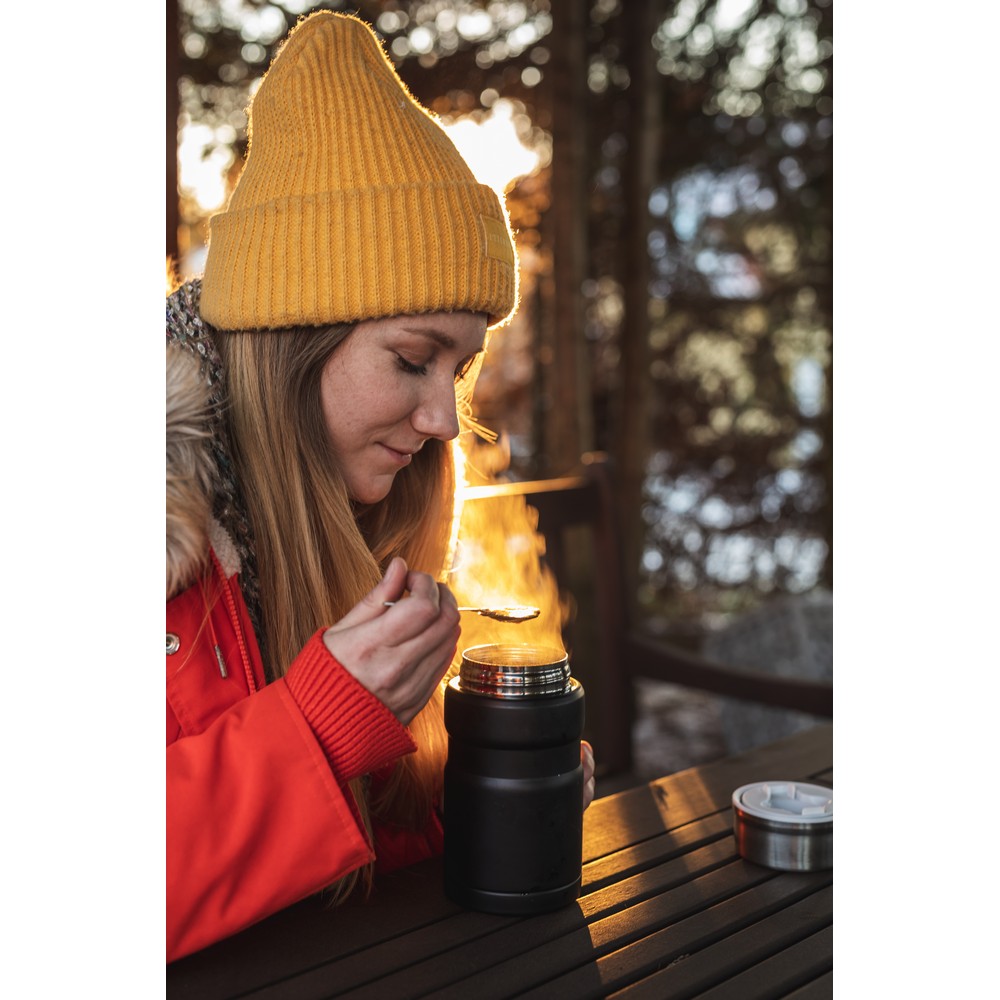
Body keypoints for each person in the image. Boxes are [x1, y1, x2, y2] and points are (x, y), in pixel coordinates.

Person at [166, 11, 596, 963]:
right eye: (411, 359)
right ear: (291, 344)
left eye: (460, 369)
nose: (445, 419)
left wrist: (476, 796)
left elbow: (353, 873)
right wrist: (318, 732)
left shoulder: (363, 519)